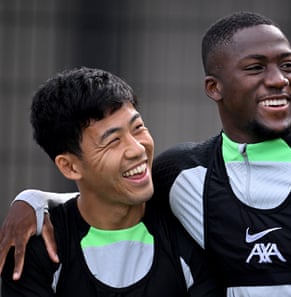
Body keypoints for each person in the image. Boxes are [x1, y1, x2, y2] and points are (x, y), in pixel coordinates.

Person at [0, 12, 291, 297]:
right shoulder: (183, 174)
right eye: (255, 68)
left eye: (287, 65)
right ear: (214, 87)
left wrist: (35, 201)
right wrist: (35, 201)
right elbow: (108, 198)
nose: (278, 80)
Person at [0, 67, 223, 296]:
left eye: (138, 128)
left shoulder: (188, 229)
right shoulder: (40, 249)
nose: (137, 149)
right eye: (113, 141)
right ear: (70, 166)